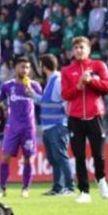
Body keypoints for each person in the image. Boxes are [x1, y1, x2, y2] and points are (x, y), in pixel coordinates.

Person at [61, 36, 108, 204]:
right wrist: (78, 86)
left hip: (95, 116)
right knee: (79, 156)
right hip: (75, 118)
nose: (78, 50)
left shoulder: (98, 66)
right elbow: (65, 94)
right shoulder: (67, 71)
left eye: (81, 47)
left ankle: (101, 178)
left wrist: (91, 81)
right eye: (75, 47)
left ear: (88, 49)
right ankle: (84, 191)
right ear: (72, 51)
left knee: (99, 154)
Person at [0, 57, 42, 199]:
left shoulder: (34, 85)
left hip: (28, 128)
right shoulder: (7, 86)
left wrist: (32, 94)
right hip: (12, 128)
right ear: (16, 68)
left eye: (28, 67)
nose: (25, 70)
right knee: (5, 158)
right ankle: (2, 189)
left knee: (28, 158)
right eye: (23, 67)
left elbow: (41, 101)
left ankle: (25, 189)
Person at [39, 55, 74, 196]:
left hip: (58, 126)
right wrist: (33, 96)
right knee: (54, 159)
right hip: (49, 127)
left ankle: (69, 188)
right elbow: (47, 101)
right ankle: (58, 187)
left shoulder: (58, 81)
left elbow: (66, 102)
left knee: (61, 157)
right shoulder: (51, 81)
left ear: (44, 66)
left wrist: (69, 123)